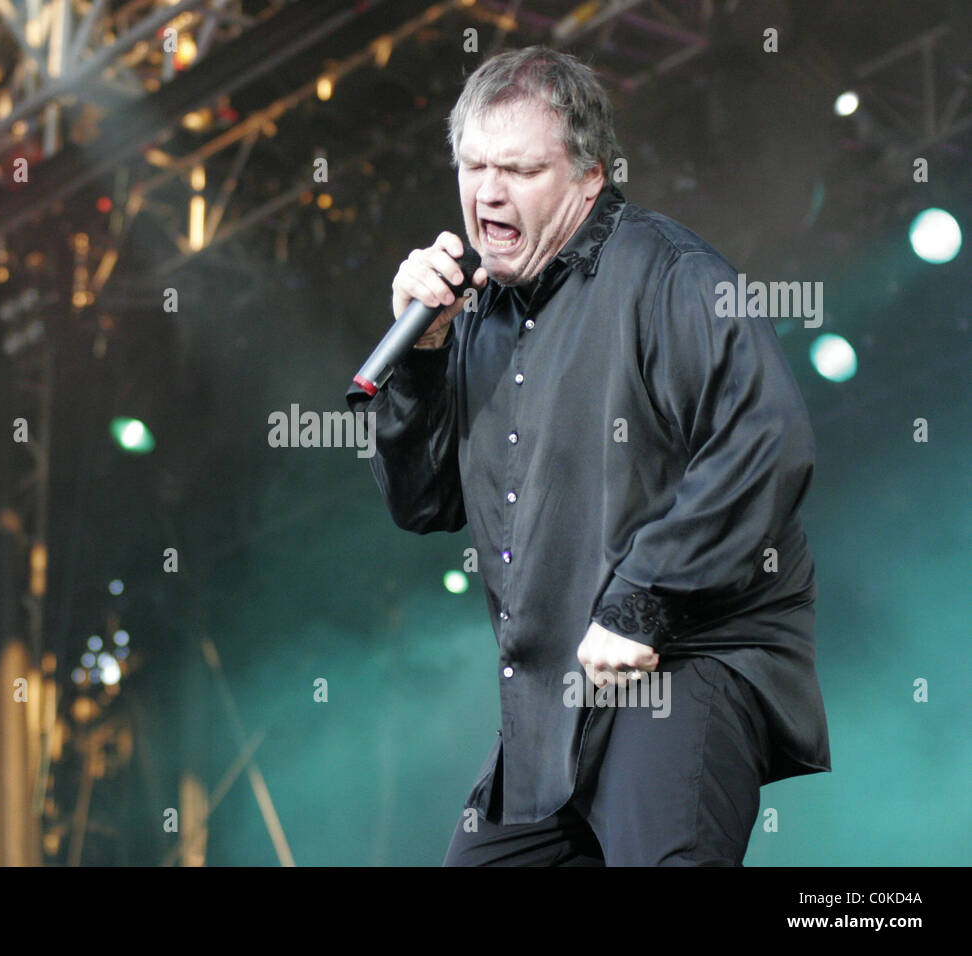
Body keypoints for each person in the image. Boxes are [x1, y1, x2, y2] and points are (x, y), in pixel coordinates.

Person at [346, 45, 830, 866]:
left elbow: (766, 438)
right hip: (549, 706)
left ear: (589, 178)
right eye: (473, 165)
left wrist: (644, 598)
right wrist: (422, 358)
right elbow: (422, 503)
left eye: (519, 169)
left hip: (685, 661)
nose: (487, 191)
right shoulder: (472, 316)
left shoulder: (669, 273)